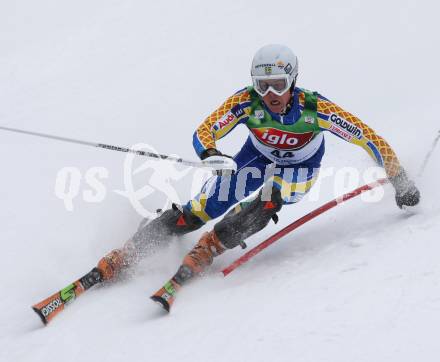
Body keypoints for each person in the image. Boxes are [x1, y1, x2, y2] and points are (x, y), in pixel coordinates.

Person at [96, 44, 420, 311]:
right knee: (194, 213)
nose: (270, 93)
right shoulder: (247, 103)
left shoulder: (315, 108)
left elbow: (367, 137)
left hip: (299, 169)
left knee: (268, 199)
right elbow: (205, 130)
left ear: (292, 81)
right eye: (261, 85)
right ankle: (129, 253)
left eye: (278, 84)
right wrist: (210, 154)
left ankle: (212, 245)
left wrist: (399, 178)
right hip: (254, 159)